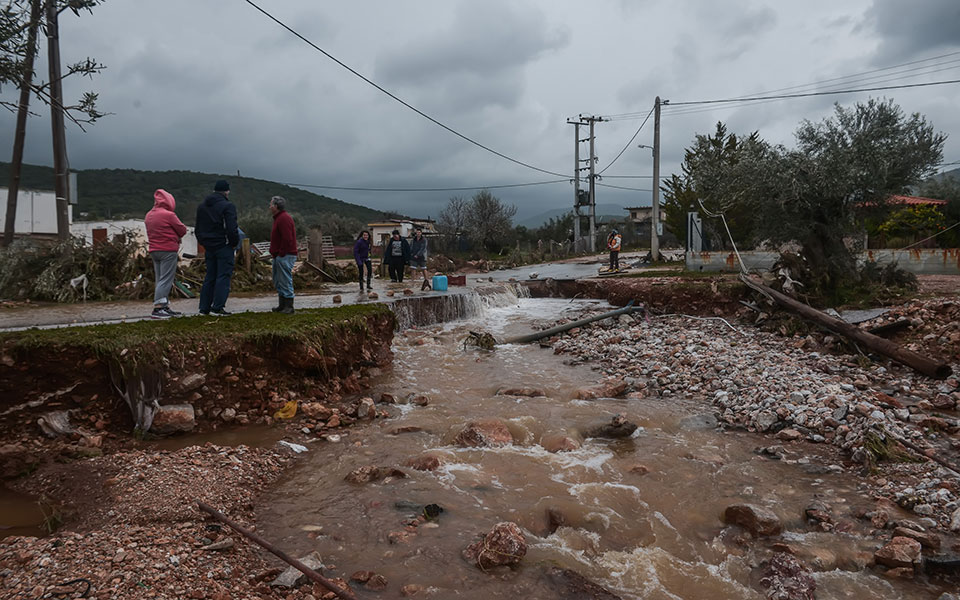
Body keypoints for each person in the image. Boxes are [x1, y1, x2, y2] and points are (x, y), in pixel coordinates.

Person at [195, 179, 239, 315]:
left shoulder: (202, 207)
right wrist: (233, 244)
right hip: (223, 246)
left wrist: (204, 243)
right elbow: (232, 228)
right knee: (223, 276)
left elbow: (197, 229)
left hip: (209, 247)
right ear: (227, 192)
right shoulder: (228, 206)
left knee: (210, 276)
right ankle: (217, 306)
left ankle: (204, 308)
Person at [144, 189, 187, 319]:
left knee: (160, 279)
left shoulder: (149, 215)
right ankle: (158, 309)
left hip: (154, 250)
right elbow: (182, 230)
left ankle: (164, 306)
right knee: (166, 279)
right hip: (168, 250)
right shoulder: (169, 215)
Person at [269, 196, 297, 314]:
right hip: (279, 255)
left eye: (271, 204)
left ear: (276, 206)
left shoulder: (283, 218)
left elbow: (287, 238)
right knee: (278, 279)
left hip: (285, 255)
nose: (269, 206)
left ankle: (289, 306)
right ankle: (282, 304)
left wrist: (281, 253)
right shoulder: (279, 218)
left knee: (285, 279)